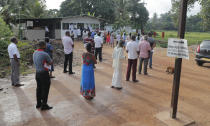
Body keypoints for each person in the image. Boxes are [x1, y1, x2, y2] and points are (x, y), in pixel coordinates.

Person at [33, 41, 53, 110]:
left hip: (37, 73)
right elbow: (50, 62)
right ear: (44, 46)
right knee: (45, 88)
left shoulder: (34, 53)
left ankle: (38, 103)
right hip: (44, 73)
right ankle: (44, 104)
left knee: (39, 88)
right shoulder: (45, 54)